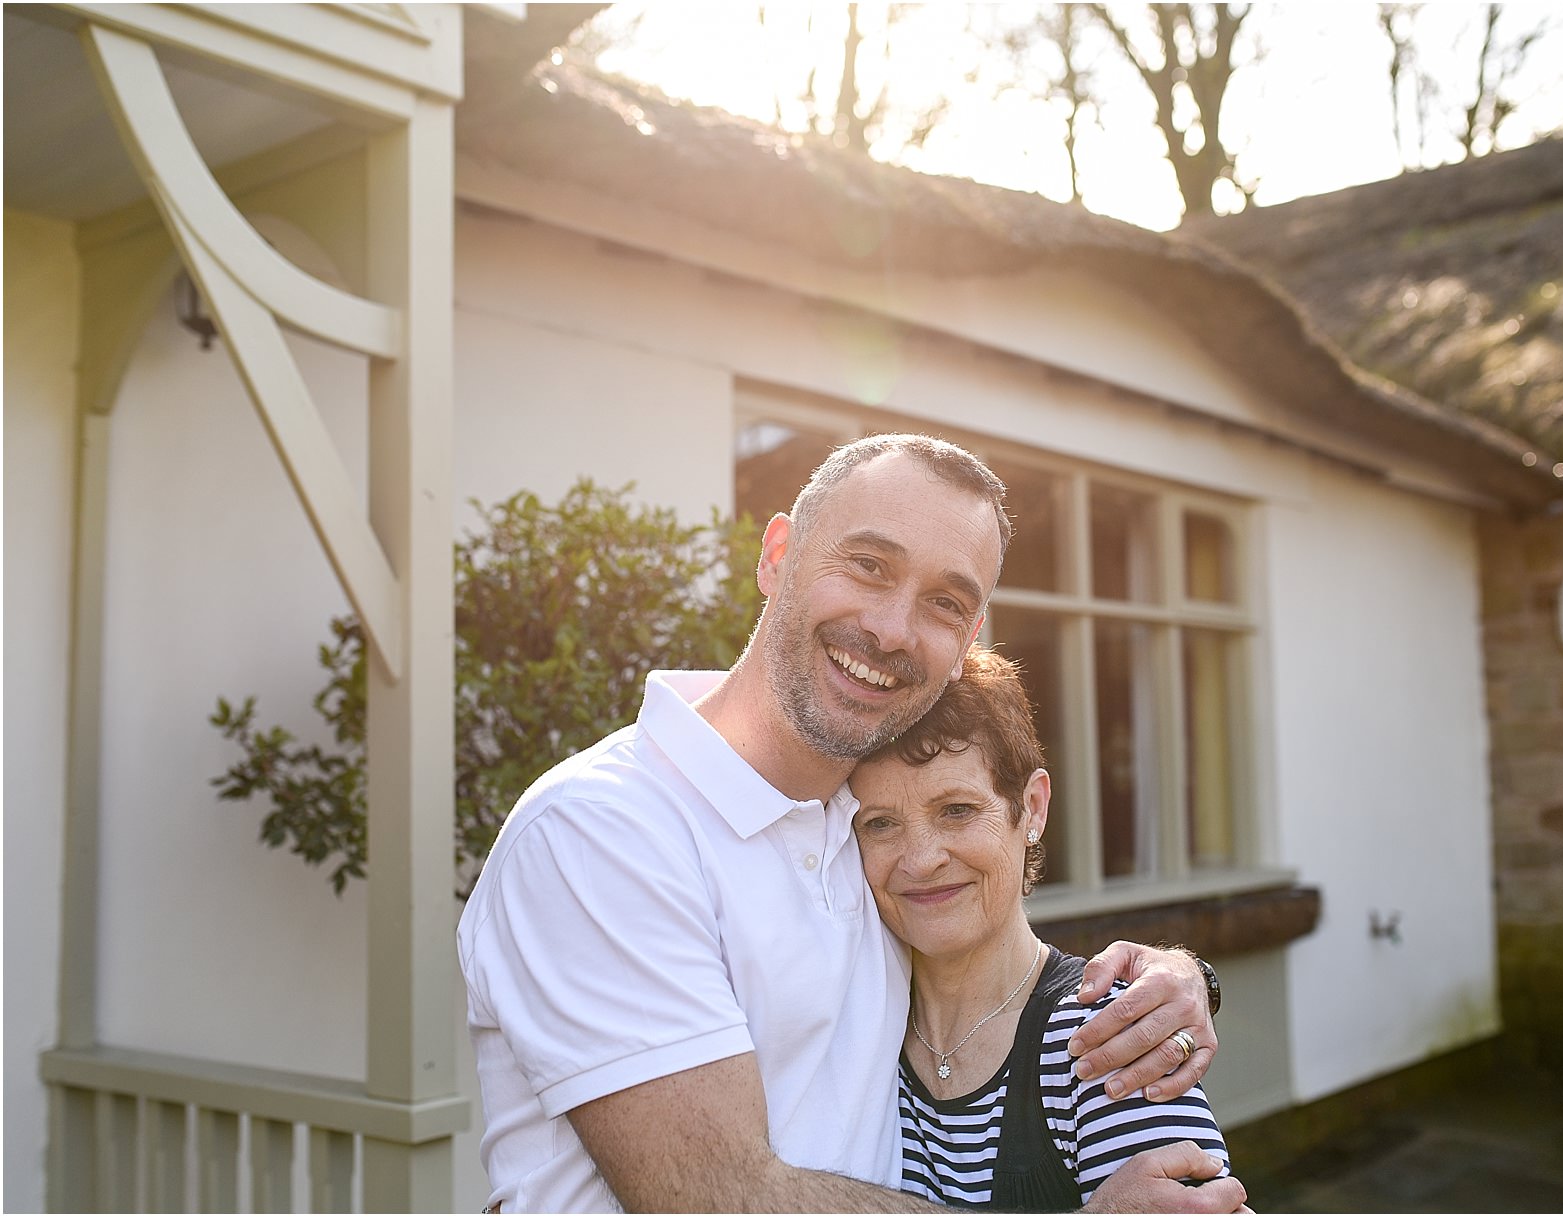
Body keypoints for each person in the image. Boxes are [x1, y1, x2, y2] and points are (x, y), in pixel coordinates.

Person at [458, 434, 1245, 1212]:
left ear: (967, 638)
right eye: (869, 565)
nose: (893, 629)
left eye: (946, 601)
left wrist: (1178, 979)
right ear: (777, 555)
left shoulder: (857, 818)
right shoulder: (600, 829)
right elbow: (721, 1200)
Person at [853, 647, 1233, 1210]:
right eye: (880, 823)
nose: (920, 859)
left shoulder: (1106, 1040)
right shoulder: (853, 1031)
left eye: (956, 809)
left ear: (1031, 807)